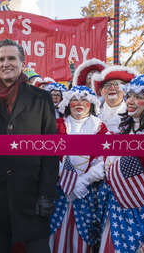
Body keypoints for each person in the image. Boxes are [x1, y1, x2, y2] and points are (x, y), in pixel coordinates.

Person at [0, 39, 58, 253]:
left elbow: (51, 151)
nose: (5, 63)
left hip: (32, 198)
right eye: (0, 59)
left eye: (11, 58)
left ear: (22, 63)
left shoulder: (42, 99)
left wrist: (46, 194)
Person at [98, 74, 144, 253]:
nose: (130, 100)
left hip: (143, 221)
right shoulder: (124, 131)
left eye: (139, 97)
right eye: (130, 95)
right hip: (116, 215)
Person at [49, 86, 108, 253]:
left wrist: (84, 181)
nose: (79, 104)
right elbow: (49, 154)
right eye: (74, 100)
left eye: (84, 100)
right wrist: (66, 178)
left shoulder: (100, 127)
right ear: (68, 103)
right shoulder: (57, 125)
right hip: (59, 190)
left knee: (81, 241)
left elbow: (103, 159)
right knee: (56, 238)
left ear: (91, 104)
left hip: (86, 192)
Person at [92, 66, 138, 133]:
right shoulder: (92, 115)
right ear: (101, 92)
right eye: (107, 85)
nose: (112, 87)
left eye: (117, 84)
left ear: (125, 90)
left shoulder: (136, 115)